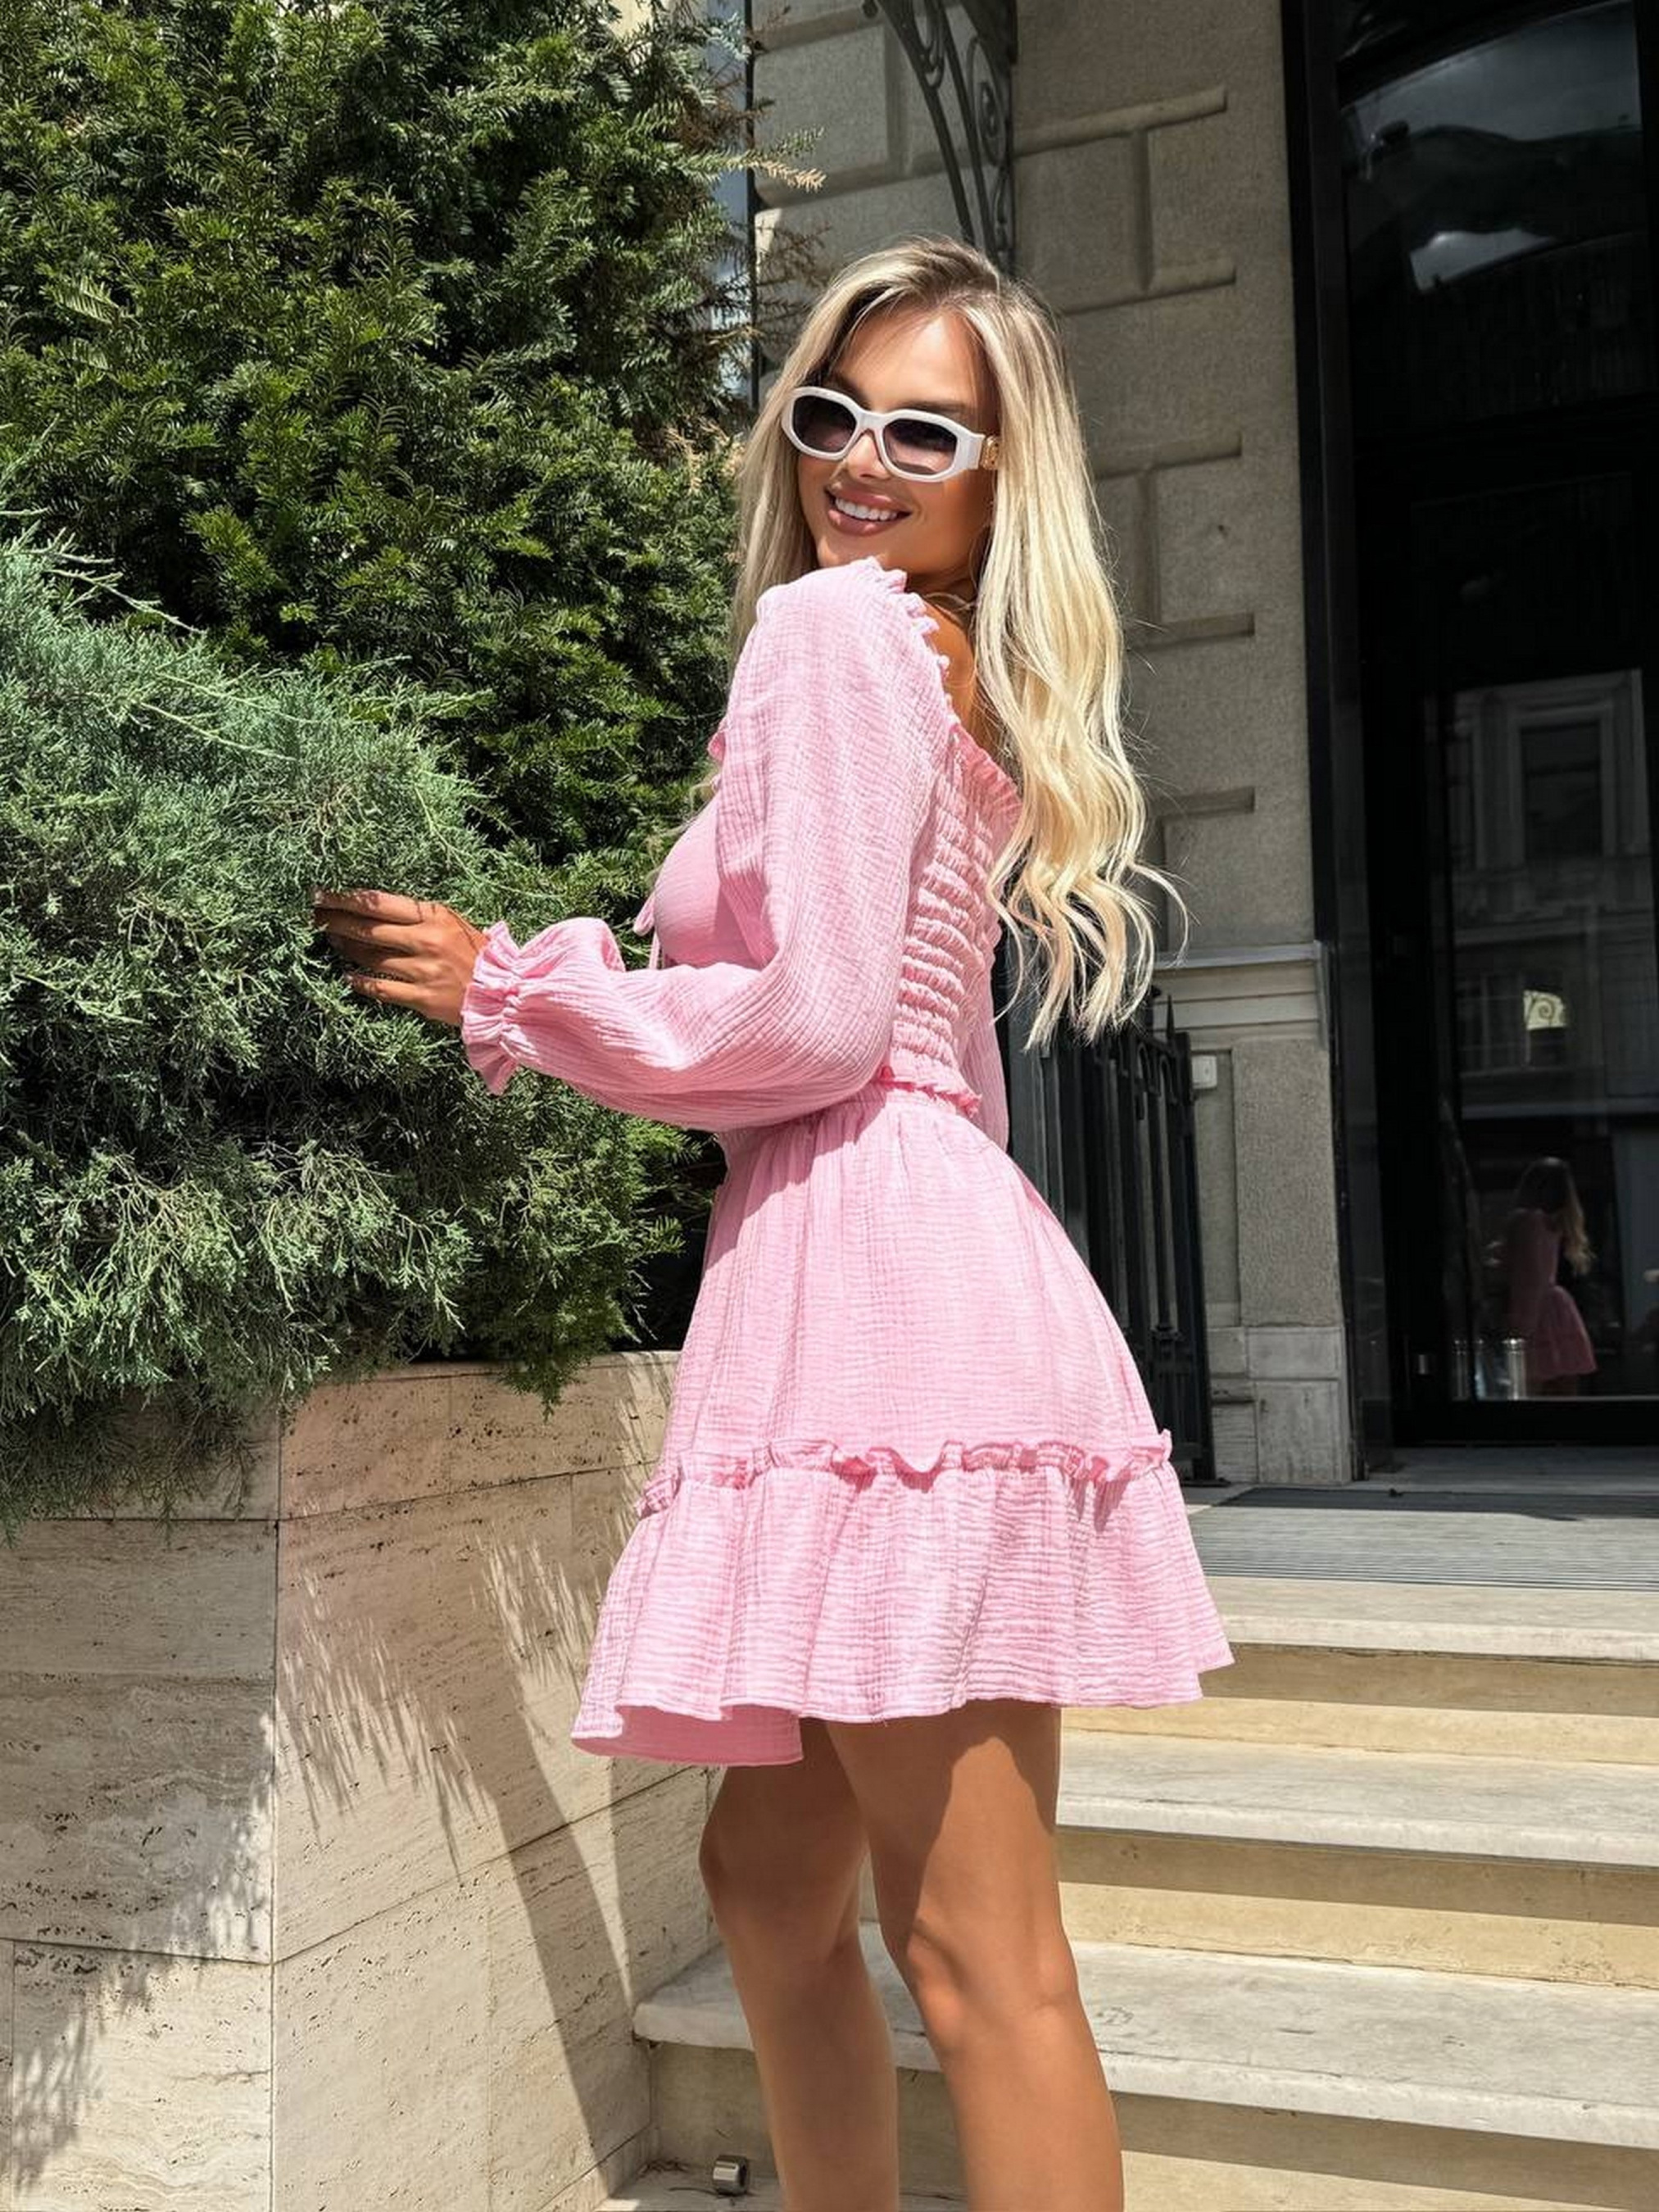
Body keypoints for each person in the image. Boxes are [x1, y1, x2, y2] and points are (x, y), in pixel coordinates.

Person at [314, 235, 1234, 2212]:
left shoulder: (833, 635)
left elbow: (818, 1027)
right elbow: (931, 1053)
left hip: (872, 1286)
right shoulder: (949, 664)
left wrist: (517, 990)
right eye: (831, 412)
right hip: (901, 1258)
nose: (859, 460)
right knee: (765, 1878)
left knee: (976, 1948)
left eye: (924, 432)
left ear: (1001, 471)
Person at [1498, 1156, 1598, 1396]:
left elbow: (1529, 1280)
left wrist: (1519, 1328)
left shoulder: (1527, 1221)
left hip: (1534, 1313)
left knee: (1531, 1389)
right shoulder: (1550, 1223)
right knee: (1561, 1387)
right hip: (1556, 1309)